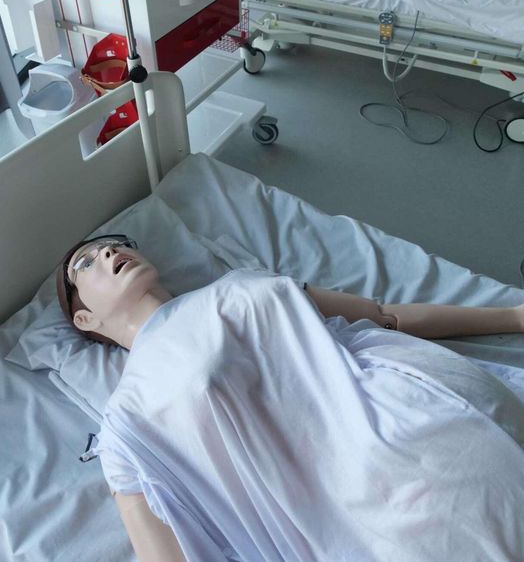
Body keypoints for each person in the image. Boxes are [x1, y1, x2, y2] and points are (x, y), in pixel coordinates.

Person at [57, 235, 524, 562]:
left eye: (115, 243)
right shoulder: (125, 423)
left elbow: (383, 316)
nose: (108, 251)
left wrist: (513, 317)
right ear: (84, 320)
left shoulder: (242, 283)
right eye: (86, 263)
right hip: (361, 507)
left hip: (429, 412)